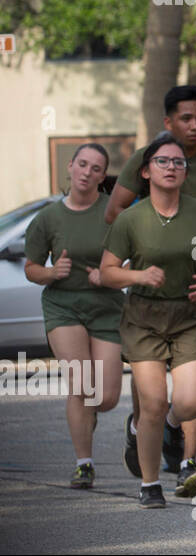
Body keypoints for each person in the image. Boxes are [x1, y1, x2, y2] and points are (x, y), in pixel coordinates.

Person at [106, 85, 196, 496]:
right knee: (153, 401)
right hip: (146, 308)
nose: (194, 125)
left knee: (192, 396)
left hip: (194, 299)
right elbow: (114, 225)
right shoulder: (138, 193)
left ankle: (181, 450)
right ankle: (149, 469)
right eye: (186, 118)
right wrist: (139, 270)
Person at [24, 144, 125, 490]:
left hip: (107, 306)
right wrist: (51, 273)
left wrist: (110, 273)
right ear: (70, 166)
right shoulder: (48, 218)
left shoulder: (113, 213)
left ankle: (90, 414)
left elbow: (128, 258)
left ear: (102, 176)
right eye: (82, 164)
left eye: (96, 168)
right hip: (63, 305)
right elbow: (31, 268)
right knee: (81, 384)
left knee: (107, 397)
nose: (87, 172)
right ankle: (84, 464)